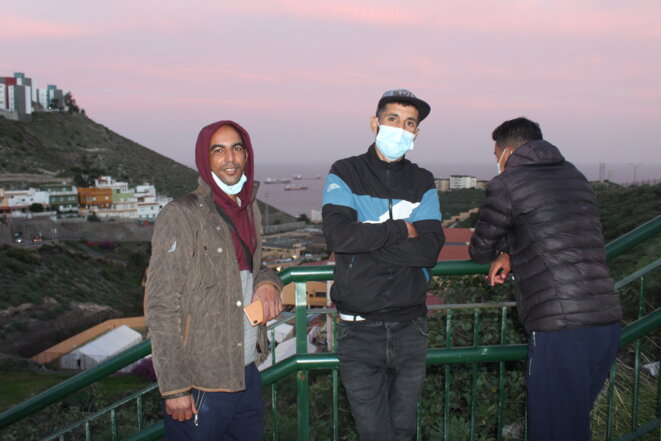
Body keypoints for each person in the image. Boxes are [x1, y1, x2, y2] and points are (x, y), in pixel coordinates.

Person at [468, 117, 621, 441]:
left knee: (552, 428)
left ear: (506, 152)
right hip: (604, 318)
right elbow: (554, 228)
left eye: (496, 154)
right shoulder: (574, 176)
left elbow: (480, 249)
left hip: (559, 326)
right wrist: (511, 250)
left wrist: (502, 250)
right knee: (572, 423)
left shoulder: (509, 182)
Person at [145, 120, 283, 441]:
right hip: (201, 383)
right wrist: (175, 388)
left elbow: (258, 267)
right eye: (218, 150)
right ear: (205, 159)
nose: (230, 158)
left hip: (247, 373)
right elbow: (161, 306)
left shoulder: (249, 210)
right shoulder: (181, 214)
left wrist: (268, 283)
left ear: (247, 155)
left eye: (237, 148)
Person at [322, 89, 445, 441]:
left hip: (411, 328)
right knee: (373, 433)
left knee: (404, 431)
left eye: (410, 124)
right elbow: (340, 238)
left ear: (416, 134)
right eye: (393, 120)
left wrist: (370, 240)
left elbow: (430, 250)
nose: (400, 129)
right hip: (358, 331)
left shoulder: (422, 180)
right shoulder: (345, 172)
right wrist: (401, 230)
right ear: (375, 123)